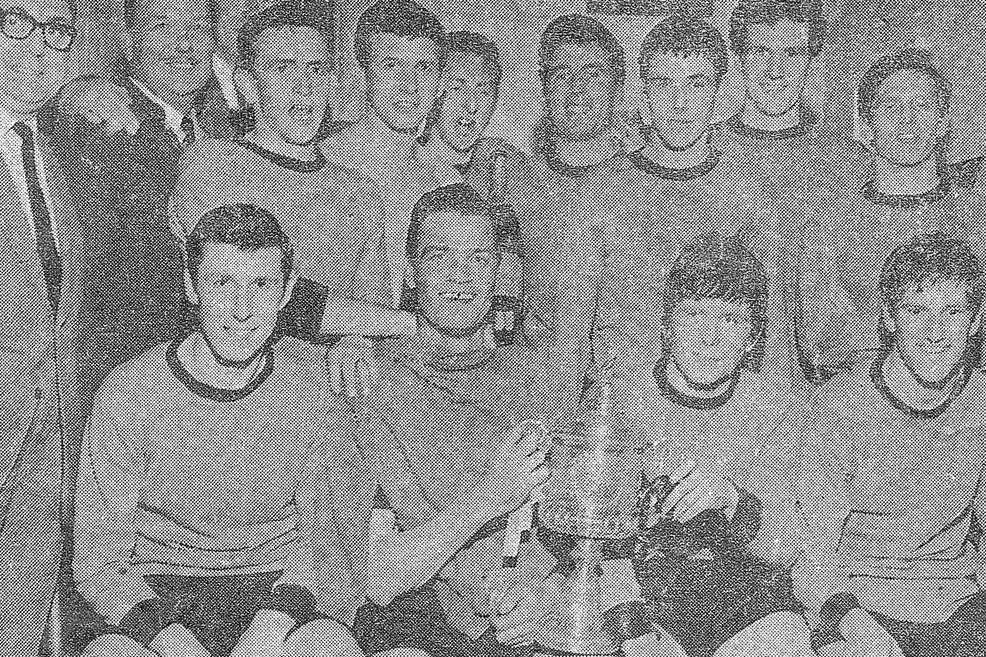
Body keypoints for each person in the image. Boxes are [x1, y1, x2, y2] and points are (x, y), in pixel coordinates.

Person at [71, 204, 436, 657]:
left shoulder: (310, 380)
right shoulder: (132, 388)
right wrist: (163, 630)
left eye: (260, 286)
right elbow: (96, 556)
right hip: (161, 596)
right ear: (191, 285)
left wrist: (281, 618)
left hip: (280, 595)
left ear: (285, 293)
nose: (241, 309)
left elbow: (338, 533)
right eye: (223, 283)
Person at [348, 184, 587, 657]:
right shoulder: (367, 376)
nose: (459, 276)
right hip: (417, 622)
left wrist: (550, 604)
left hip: (522, 626)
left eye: (477, 258)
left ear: (500, 274)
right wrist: (489, 496)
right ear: (412, 271)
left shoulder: (538, 379)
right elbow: (377, 578)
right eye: (439, 256)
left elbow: (570, 535)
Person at [169, 0, 419, 397]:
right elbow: (249, 301)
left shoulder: (362, 193)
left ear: (335, 82)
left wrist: (357, 340)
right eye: (283, 69)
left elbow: (375, 310)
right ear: (248, 85)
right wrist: (385, 322)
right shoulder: (211, 164)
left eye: (316, 70)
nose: (304, 88)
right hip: (214, 396)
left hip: (317, 402)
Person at [796, 231, 986, 657]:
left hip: (958, 610)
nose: (936, 331)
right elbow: (810, 553)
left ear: (974, 321)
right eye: (918, 311)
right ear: (889, 317)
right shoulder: (842, 404)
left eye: (952, 312)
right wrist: (840, 617)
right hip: (861, 613)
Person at [618, 234, 808, 657]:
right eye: (694, 316)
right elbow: (593, 519)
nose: (710, 335)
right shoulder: (626, 396)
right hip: (639, 593)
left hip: (744, 599)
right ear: (667, 325)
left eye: (729, 320)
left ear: (750, 338)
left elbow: (796, 544)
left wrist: (739, 499)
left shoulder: (774, 408)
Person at [581, 14, 792, 390]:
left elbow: (769, 331)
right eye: (664, 85)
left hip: (720, 407)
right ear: (643, 94)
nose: (679, 104)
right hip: (625, 406)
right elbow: (576, 329)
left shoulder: (751, 193)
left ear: (719, 90)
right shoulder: (602, 191)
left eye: (696, 85)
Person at [51, 0, 242, 399]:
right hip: (134, 384)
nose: (183, 44)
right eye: (162, 26)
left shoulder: (224, 122)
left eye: (197, 28)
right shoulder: (100, 121)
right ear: (128, 37)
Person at [796, 49, 984, 380]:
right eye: (891, 107)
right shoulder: (831, 224)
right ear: (866, 127)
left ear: (942, 123)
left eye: (922, 106)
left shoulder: (973, 218)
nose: (907, 120)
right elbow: (824, 344)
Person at [0, 0, 84, 653]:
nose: (37, 46)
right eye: (14, 21)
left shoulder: (47, 150)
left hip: (40, 459)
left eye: (57, 31)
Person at [321, 0, 460, 304]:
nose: (408, 86)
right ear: (361, 76)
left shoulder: (444, 182)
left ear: (440, 84)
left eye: (423, 68)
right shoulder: (320, 165)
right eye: (392, 66)